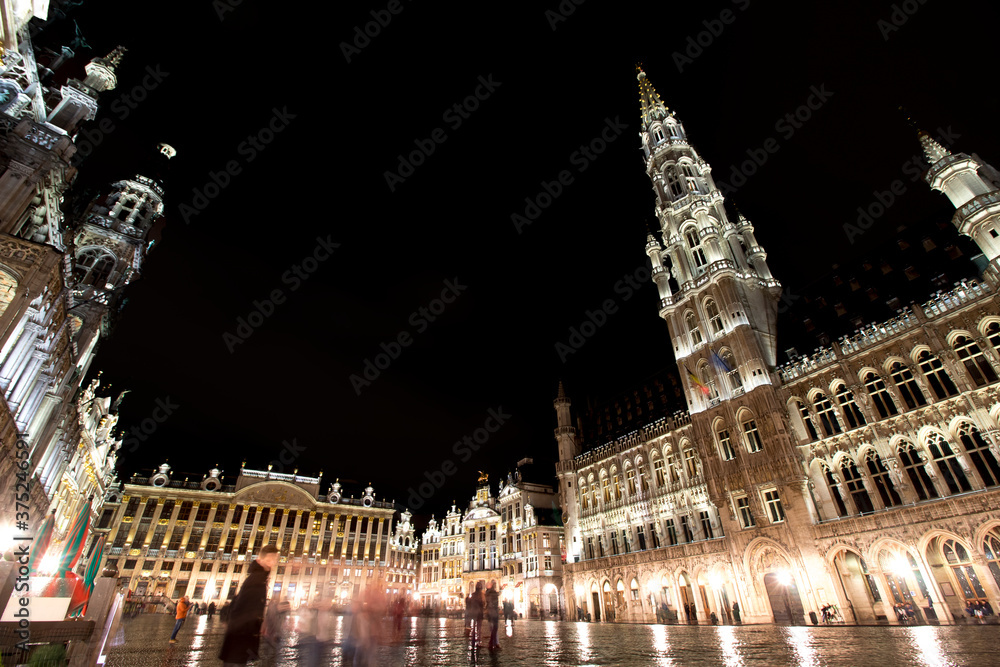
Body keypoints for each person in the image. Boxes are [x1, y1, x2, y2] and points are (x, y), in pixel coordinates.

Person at [218, 544, 280, 666]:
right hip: (240, 637)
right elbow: (239, 607)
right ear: (260, 559)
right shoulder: (256, 579)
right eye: (269, 560)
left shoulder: (260, 577)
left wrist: (261, 623)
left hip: (242, 636)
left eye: (274, 560)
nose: (272, 563)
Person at [485, 581, 500, 651]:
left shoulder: (487, 593)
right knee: (494, 628)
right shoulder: (491, 593)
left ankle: (494, 642)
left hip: (490, 612)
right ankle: (493, 643)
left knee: (493, 628)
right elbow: (492, 603)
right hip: (493, 612)